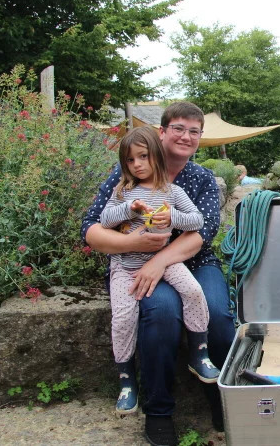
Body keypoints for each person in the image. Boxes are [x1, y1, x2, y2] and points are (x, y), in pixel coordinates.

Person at [82, 102, 235, 446]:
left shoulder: (200, 178)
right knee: (161, 313)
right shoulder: (130, 173)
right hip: (136, 261)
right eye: (178, 128)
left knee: (220, 317)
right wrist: (133, 244)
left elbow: (204, 230)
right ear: (161, 132)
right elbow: (90, 228)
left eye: (194, 131)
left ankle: (221, 399)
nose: (186, 136)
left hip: (193, 261)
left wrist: (160, 260)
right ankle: (159, 410)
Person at [99, 127, 221, 415]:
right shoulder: (123, 191)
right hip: (127, 267)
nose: (137, 164)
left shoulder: (172, 191)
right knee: (123, 318)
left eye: (142, 157)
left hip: (164, 262)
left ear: (156, 155)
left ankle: (199, 352)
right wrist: (129, 208)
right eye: (129, 160)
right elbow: (104, 220)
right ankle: (126, 380)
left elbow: (196, 221)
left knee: (193, 290)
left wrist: (172, 216)